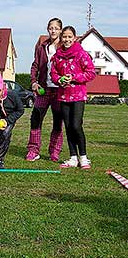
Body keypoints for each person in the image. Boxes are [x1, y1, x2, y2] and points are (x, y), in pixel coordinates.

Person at [51, 26, 96, 169]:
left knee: (76, 126)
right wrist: (59, 80)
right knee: (69, 127)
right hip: (63, 96)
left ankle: (83, 157)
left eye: (70, 37)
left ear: (75, 38)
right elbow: (53, 74)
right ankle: (73, 157)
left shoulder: (81, 54)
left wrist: (74, 77)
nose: (67, 39)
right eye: (64, 37)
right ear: (61, 38)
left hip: (78, 96)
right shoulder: (57, 56)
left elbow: (91, 73)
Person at [26, 18, 64, 162]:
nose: (53, 31)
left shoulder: (64, 47)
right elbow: (35, 65)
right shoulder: (42, 47)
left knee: (57, 122)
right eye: (51, 28)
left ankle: (54, 152)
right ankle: (33, 150)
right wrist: (34, 82)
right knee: (35, 118)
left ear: (60, 30)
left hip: (59, 90)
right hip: (44, 88)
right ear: (48, 29)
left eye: (56, 28)